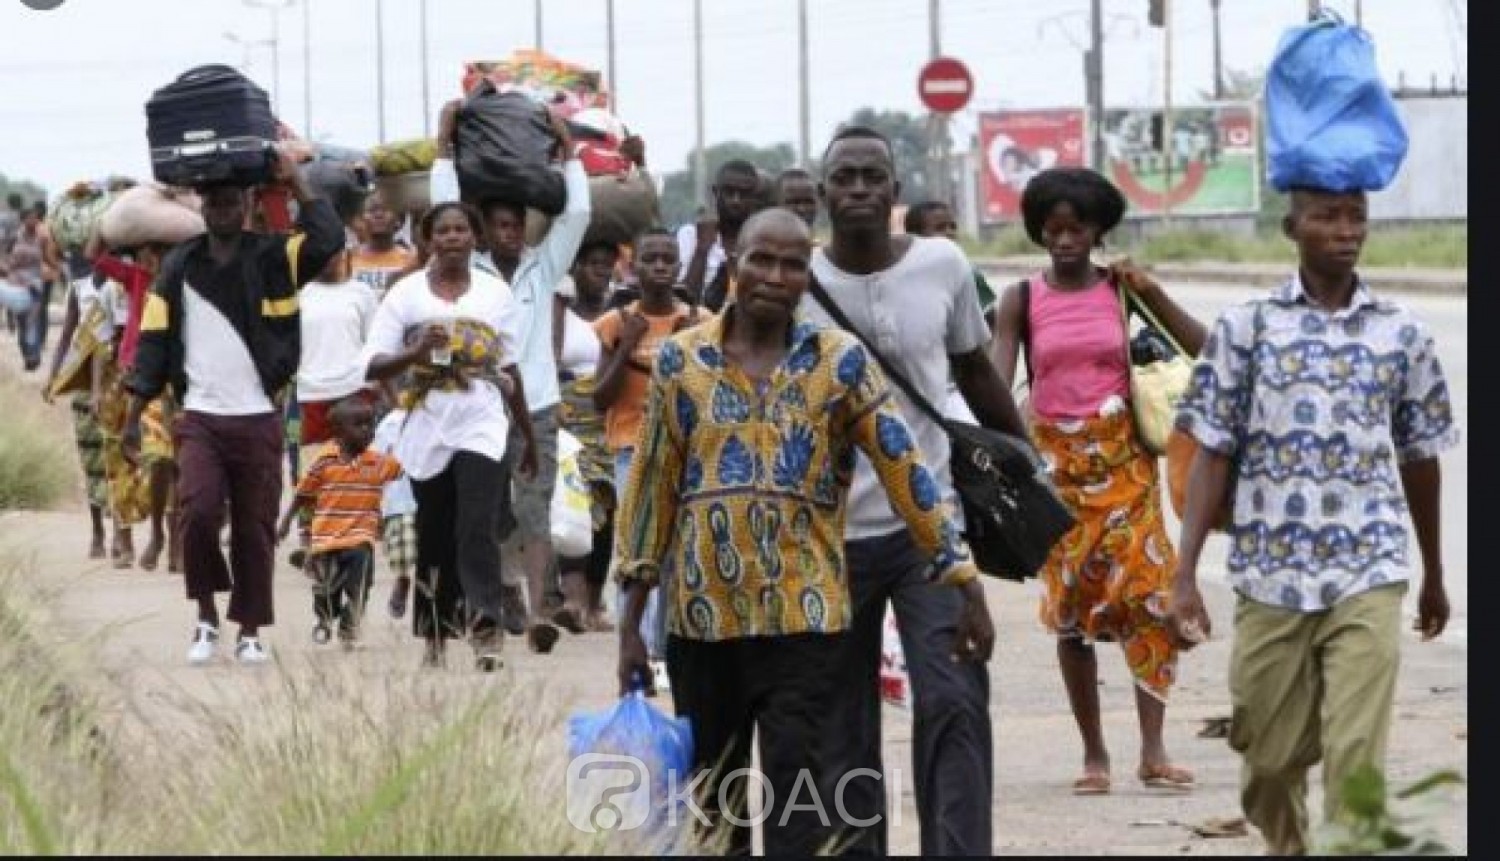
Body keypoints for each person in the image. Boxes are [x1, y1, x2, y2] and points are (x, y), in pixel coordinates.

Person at [614, 208, 993, 856]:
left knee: (804, 815)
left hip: (808, 625)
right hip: (704, 625)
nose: (775, 275)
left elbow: (907, 470)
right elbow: (651, 490)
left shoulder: (839, 363)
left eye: (792, 264)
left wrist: (962, 576)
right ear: (735, 264)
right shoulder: (682, 360)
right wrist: (630, 624)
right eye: (762, 258)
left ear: (804, 277)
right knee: (716, 812)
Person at [1169, 186, 1459, 855]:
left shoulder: (1401, 331)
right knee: (1269, 766)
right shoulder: (1248, 327)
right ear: (1291, 226)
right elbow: (1212, 450)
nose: (1346, 229)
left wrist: (1434, 572)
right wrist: (1183, 575)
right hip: (1270, 572)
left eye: (1357, 215)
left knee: (1356, 763)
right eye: (1328, 215)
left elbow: (1420, 456)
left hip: (1370, 565)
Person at [799, 125, 1029, 856]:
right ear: (823, 192)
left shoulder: (943, 265)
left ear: (894, 193)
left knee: (955, 701)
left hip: (932, 531)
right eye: (845, 177)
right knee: (841, 725)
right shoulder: (796, 283)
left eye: (873, 177)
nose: (859, 188)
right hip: (830, 538)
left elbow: (975, 371)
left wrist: (1026, 461)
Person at [989, 167, 1207, 797]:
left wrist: (1154, 293)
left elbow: (1201, 345)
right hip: (1057, 477)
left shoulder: (1122, 290)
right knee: (1072, 617)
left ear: (1097, 230)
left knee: (1153, 601)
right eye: (1052, 229)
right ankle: (1093, 755)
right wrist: (1002, 454)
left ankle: (1154, 750)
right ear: (1038, 232)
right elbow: (999, 385)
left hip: (1126, 469)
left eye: (1076, 228)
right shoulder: (1021, 300)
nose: (1064, 240)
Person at [121, 145, 345, 666]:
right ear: (202, 206)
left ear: (246, 204)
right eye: (214, 202)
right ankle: (205, 616)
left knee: (254, 529)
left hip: (258, 419)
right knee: (198, 515)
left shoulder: (273, 256)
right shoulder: (177, 265)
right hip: (199, 418)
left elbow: (329, 240)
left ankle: (249, 630)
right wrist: (134, 418)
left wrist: (296, 182)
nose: (222, 210)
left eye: (231, 201)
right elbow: (153, 342)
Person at [437, 105, 591, 653]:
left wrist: (569, 156)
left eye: (515, 225)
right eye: (498, 225)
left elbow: (575, 219)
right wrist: (443, 147)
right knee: (488, 512)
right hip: (479, 409)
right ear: (483, 230)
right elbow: (441, 207)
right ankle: (505, 595)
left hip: (540, 405)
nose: (508, 234)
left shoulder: (543, 267)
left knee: (533, 505)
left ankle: (544, 605)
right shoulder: (467, 273)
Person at [362, 201, 537, 672]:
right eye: (444, 231)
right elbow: (375, 363)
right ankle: (435, 634)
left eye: (462, 229)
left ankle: (486, 629)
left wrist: (528, 436)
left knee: (476, 526)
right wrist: (416, 351)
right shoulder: (405, 295)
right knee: (435, 532)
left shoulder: (496, 295)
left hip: (481, 419)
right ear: (429, 240)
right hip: (426, 423)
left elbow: (510, 368)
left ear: (475, 238)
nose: (454, 238)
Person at [593, 227, 706, 680]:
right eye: (650, 258)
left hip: (686, 449)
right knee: (637, 550)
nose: (660, 267)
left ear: (679, 267)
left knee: (678, 552)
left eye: (668, 259)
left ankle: (663, 651)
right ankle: (632, 642)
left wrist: (690, 343)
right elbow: (599, 398)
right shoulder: (616, 323)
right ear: (632, 267)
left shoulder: (701, 320)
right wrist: (626, 346)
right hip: (630, 448)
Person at [277, 396, 404, 649]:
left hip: (361, 538)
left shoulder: (378, 462)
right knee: (327, 588)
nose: (368, 430)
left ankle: (349, 627)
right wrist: (286, 520)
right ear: (338, 431)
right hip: (326, 539)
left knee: (360, 585)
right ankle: (325, 615)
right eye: (359, 425)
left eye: (371, 423)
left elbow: (409, 471)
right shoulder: (325, 460)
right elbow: (304, 493)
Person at [554, 240, 620, 633]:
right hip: (568, 419)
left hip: (608, 418)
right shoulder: (560, 313)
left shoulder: (622, 314)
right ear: (575, 269)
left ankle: (595, 598)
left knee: (606, 511)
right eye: (593, 264)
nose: (601, 272)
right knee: (574, 502)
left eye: (607, 265)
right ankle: (573, 598)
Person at [676, 159, 760, 310]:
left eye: (744, 194)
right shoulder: (690, 234)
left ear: (755, 197)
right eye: (729, 192)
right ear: (715, 192)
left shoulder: (763, 240)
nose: (736, 200)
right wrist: (701, 250)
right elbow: (683, 303)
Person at [903, 200, 996, 315]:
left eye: (953, 227)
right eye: (940, 228)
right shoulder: (905, 277)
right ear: (916, 236)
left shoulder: (969, 274)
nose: (950, 232)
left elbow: (989, 318)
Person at [374, 404, 419, 620]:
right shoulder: (389, 424)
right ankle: (402, 580)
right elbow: (377, 467)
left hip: (434, 496)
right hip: (400, 499)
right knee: (402, 554)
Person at [350, 190, 416, 297]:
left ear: (398, 220)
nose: (378, 215)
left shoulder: (411, 260)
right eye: (372, 210)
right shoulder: (348, 259)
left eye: (385, 209)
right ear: (362, 219)